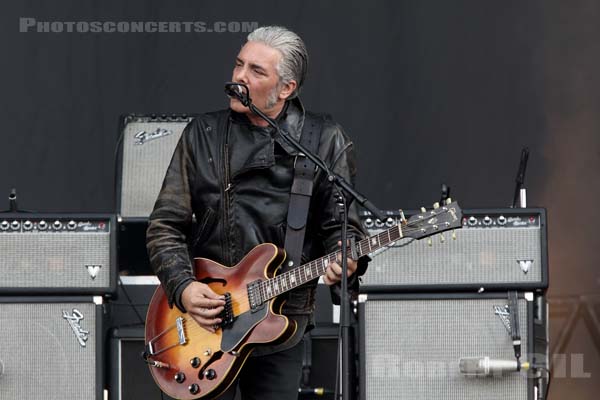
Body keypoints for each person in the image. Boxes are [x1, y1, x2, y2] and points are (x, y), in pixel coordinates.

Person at [146, 25, 368, 400]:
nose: (239, 77)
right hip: (204, 318)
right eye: (238, 64)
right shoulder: (203, 134)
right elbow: (165, 224)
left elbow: (344, 226)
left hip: (281, 321)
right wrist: (183, 288)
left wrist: (346, 257)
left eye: (256, 71)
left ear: (286, 88)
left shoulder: (324, 139)